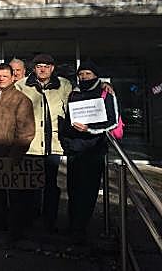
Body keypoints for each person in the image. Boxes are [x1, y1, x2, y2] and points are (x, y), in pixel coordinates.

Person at [59, 60, 118, 242]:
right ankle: (72, 225)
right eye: (81, 74)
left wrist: (90, 129)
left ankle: (80, 228)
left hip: (94, 150)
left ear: (96, 75)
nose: (84, 77)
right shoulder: (74, 93)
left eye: (88, 74)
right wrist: (67, 140)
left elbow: (113, 122)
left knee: (89, 191)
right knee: (73, 190)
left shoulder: (105, 93)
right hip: (75, 150)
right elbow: (68, 118)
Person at [15, 53, 72, 232]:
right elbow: (7, 100)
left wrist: (103, 86)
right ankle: (28, 221)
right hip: (31, 144)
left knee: (51, 185)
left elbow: (78, 101)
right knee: (30, 185)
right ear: (34, 68)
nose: (43, 69)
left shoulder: (64, 85)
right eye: (39, 66)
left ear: (52, 68)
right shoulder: (22, 85)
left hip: (53, 144)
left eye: (47, 66)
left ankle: (50, 222)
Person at [0, 63, 35, 239]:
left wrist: (14, 157)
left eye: (4, 76)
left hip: (10, 156)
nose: (1, 79)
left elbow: (26, 132)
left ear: (12, 77)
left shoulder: (21, 99)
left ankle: (15, 233)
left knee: (15, 197)